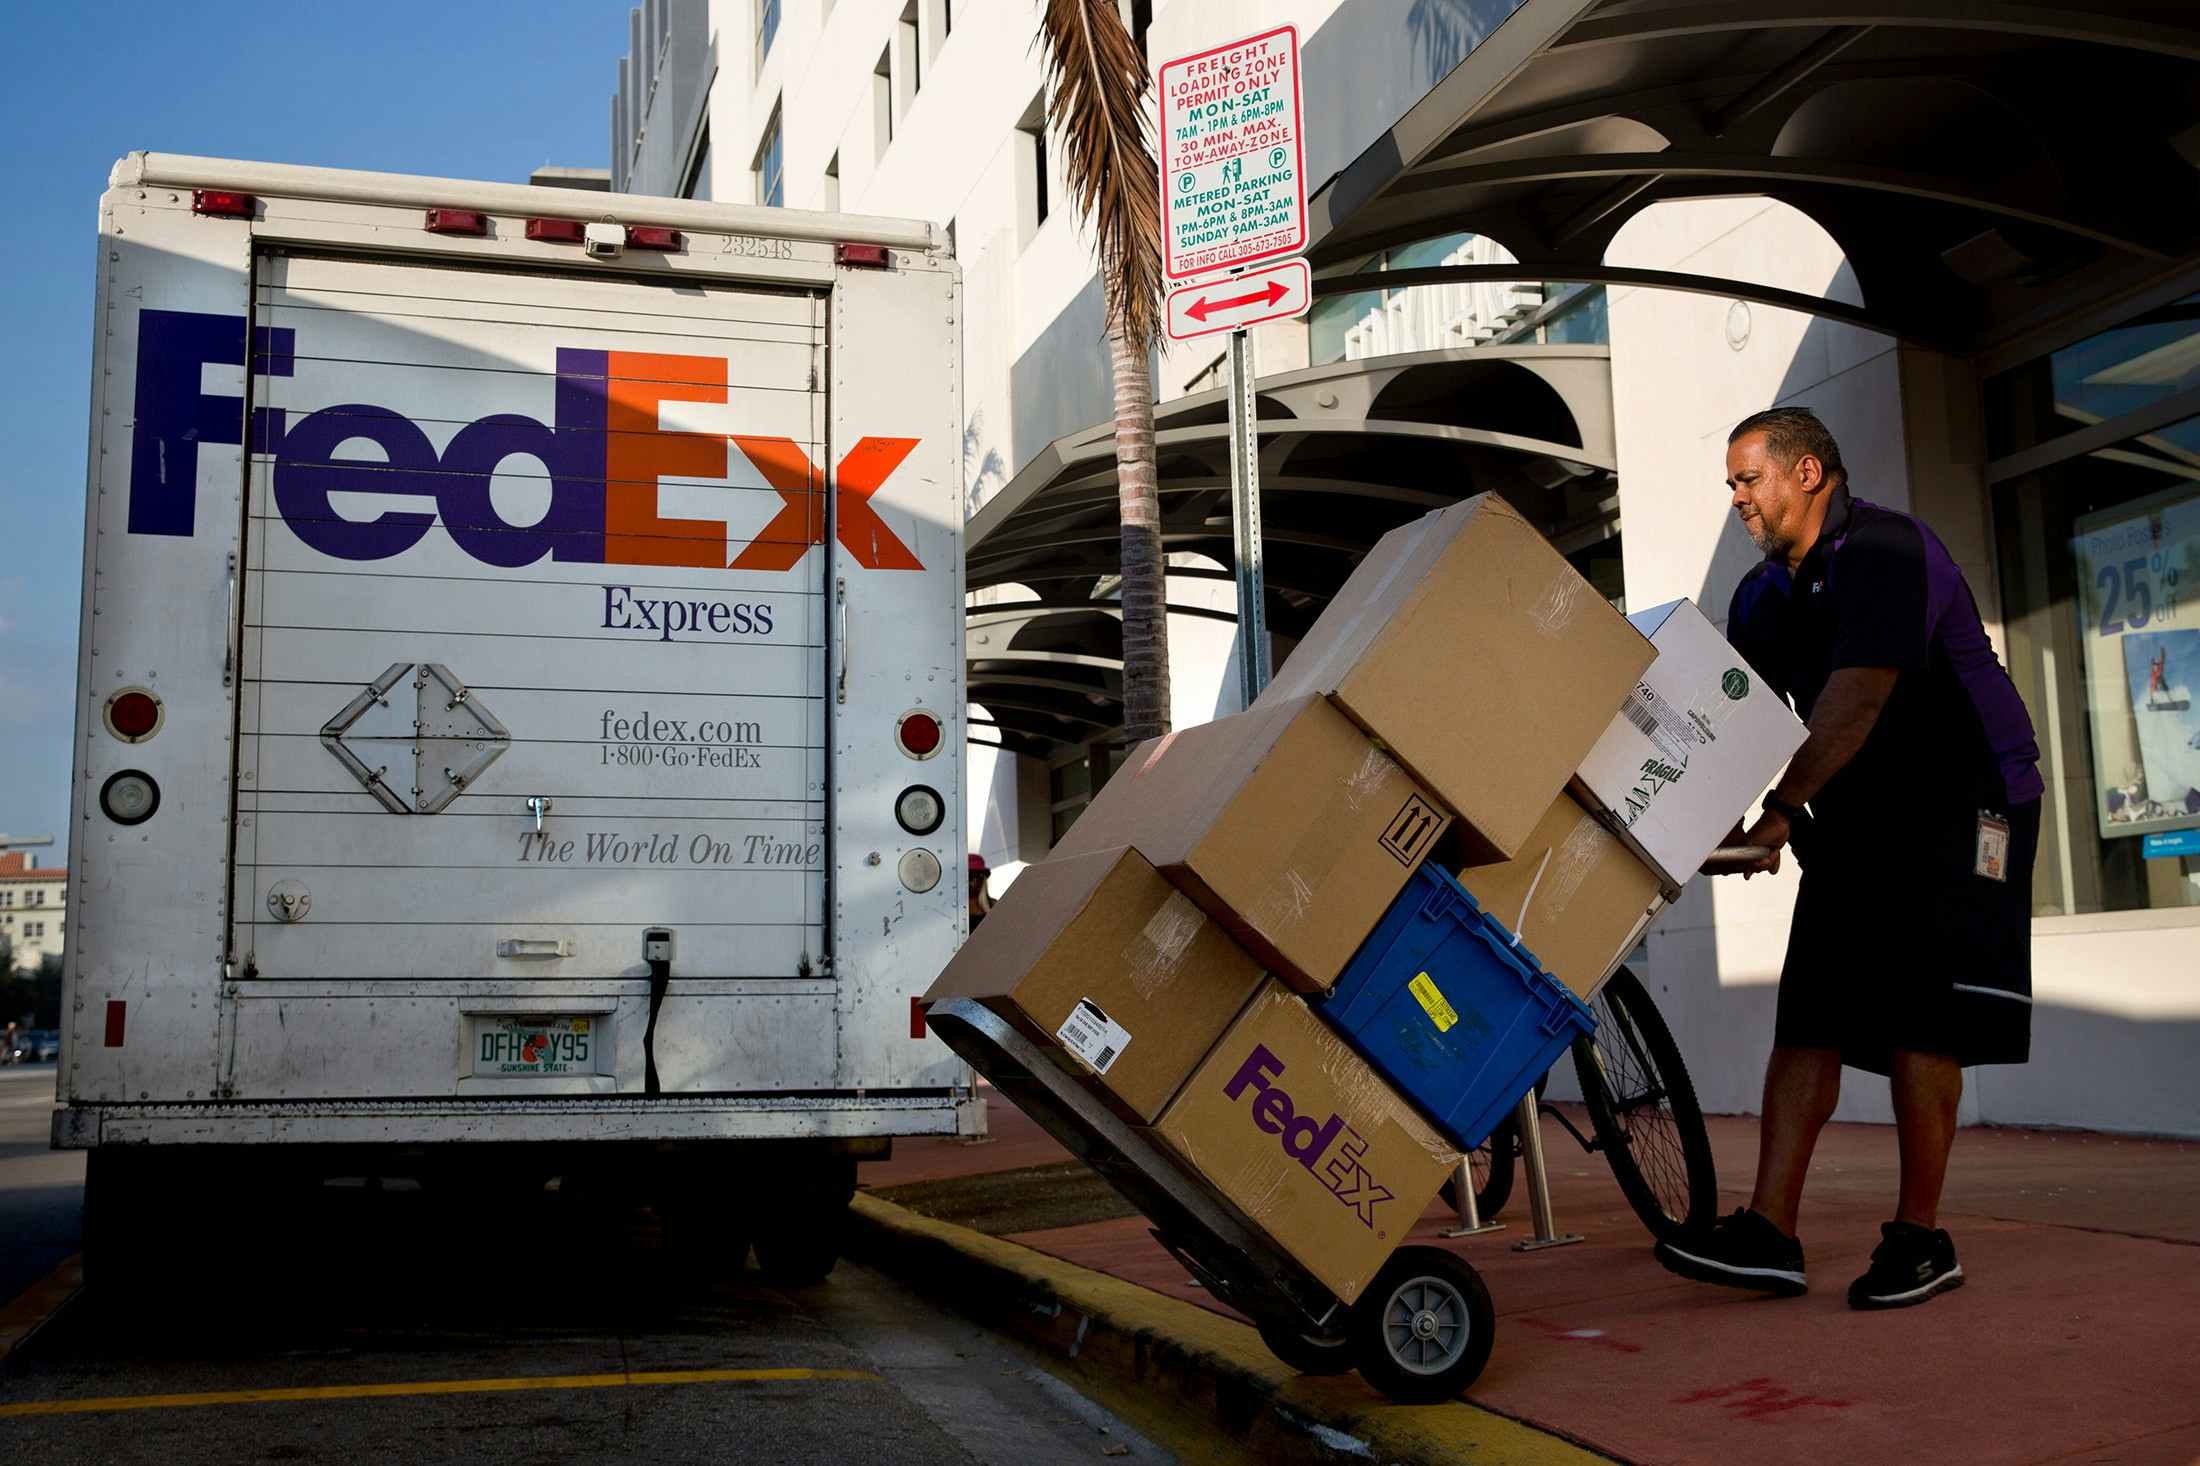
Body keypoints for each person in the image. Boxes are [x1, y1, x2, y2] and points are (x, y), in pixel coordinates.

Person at [1653, 406, 2042, 1310]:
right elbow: (1733, 723)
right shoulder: (1760, 596)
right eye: (1732, 485)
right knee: (1811, 1012)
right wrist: (1693, 821)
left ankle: (1920, 1238)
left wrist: (1781, 811)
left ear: (1809, 475)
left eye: (1750, 480)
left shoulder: (1886, 552)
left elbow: (1856, 698)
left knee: (1922, 1019)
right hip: (1858, 813)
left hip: (1965, 800)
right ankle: (1770, 1232)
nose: (1737, 499)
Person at [967, 853, 994, 930]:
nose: (974, 880)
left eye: (979, 875)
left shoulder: (994, 905)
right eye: (970, 874)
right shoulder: (951, 908)